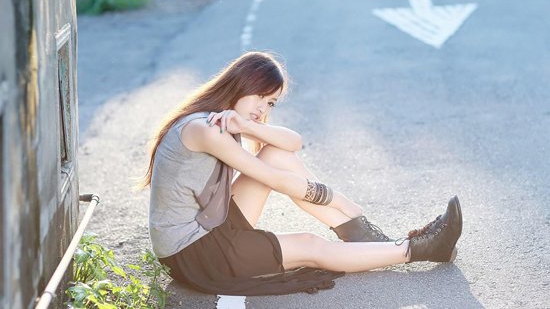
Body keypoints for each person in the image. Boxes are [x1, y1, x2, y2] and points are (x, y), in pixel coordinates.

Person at [140, 51, 463, 295]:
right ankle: (420, 249)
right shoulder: (204, 129)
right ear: (239, 85)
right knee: (310, 245)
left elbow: (292, 143)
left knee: (277, 152)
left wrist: (248, 125)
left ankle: (359, 235)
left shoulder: (224, 119)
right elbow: (276, 181)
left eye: (271, 104)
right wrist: (343, 201)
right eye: (260, 98)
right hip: (195, 250)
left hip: (211, 223)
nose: (262, 110)